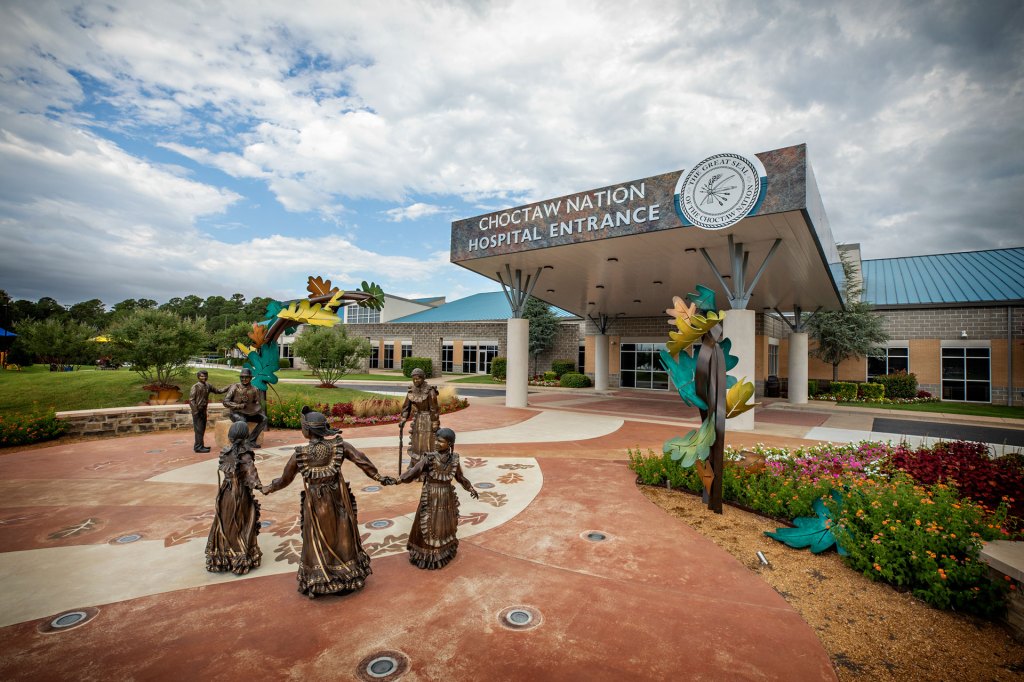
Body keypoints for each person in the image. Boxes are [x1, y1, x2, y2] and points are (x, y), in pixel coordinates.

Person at [261, 408, 397, 598]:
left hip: (316, 503)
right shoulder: (340, 446)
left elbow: (285, 479)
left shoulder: (301, 454)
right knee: (343, 533)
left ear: (307, 430)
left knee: (318, 537)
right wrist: (379, 477)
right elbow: (362, 460)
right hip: (338, 498)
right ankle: (347, 574)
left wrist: (269, 488)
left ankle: (321, 576)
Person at [398, 427, 478, 570]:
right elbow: (413, 472)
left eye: (440, 441)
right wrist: (399, 480)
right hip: (431, 496)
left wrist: (470, 487)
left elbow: (459, 477)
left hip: (446, 497)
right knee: (427, 525)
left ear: (450, 444)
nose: (436, 443)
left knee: (444, 526)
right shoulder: (429, 457)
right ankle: (427, 555)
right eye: (436, 439)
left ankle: (444, 551)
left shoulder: (454, 459)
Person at [205, 421, 263, 574]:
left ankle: (222, 554)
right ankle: (240, 555)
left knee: (225, 520)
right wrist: (261, 487)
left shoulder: (226, 450)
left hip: (226, 492)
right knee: (241, 522)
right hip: (239, 494)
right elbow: (251, 475)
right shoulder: (245, 454)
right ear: (246, 436)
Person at [398, 367, 440, 472]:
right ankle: (416, 467)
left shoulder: (430, 391)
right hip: (418, 420)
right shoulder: (411, 391)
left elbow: (434, 409)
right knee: (417, 444)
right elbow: (406, 407)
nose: (416, 381)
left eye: (418, 378)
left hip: (428, 420)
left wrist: (435, 423)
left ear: (423, 378)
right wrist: (403, 418)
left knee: (428, 443)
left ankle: (429, 466)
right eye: (414, 379)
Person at [222, 368, 267, 448]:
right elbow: (225, 402)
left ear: (250, 378)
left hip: (249, 413)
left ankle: (251, 440)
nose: (244, 379)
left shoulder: (254, 389)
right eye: (242, 377)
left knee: (264, 419)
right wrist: (239, 406)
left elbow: (257, 403)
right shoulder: (235, 387)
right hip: (236, 412)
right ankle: (243, 442)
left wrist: (256, 407)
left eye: (246, 377)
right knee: (242, 421)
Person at [189, 370, 226, 453]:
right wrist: (195, 411)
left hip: (203, 411)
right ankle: (198, 447)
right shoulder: (195, 386)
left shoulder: (208, 385)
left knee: (202, 429)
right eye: (202, 376)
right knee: (198, 430)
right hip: (197, 411)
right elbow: (191, 400)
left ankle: (200, 445)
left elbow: (218, 391)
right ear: (198, 377)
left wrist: (229, 387)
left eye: (205, 376)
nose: (204, 377)